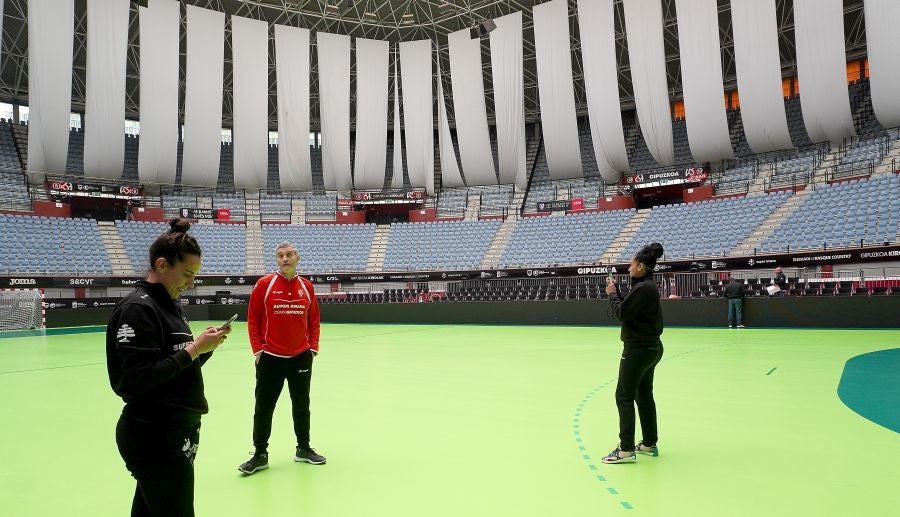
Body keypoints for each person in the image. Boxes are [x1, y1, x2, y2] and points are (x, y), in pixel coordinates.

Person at [107, 218, 230, 516]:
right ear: (161, 265)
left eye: (195, 276)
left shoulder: (171, 305)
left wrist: (204, 350)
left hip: (176, 431)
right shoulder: (137, 309)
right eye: (187, 274)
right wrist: (193, 349)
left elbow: (173, 366)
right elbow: (140, 379)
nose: (190, 283)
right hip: (153, 435)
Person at [238, 242, 325, 475]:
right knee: (264, 408)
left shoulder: (306, 286)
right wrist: (258, 351)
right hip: (270, 358)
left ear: (297, 258)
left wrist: (312, 348)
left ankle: (304, 449)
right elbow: (253, 319)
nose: (285, 259)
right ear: (276, 260)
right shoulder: (264, 285)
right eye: (280, 256)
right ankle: (260, 454)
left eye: (289, 255)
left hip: (300, 357)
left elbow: (314, 320)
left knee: (301, 405)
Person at [601, 243, 665, 464]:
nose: (628, 268)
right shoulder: (645, 286)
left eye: (631, 265)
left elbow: (621, 313)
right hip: (650, 348)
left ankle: (626, 450)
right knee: (643, 396)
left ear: (640, 266)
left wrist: (611, 294)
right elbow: (629, 310)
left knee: (624, 396)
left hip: (638, 350)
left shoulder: (643, 288)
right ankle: (649, 444)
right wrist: (618, 292)